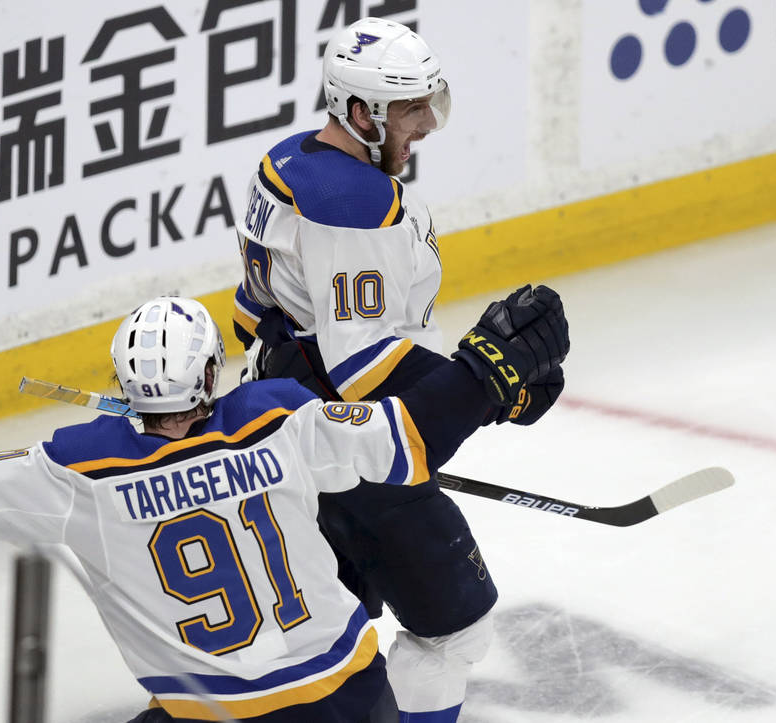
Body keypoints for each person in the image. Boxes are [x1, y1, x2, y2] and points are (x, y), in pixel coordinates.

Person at [0, 288, 567, 722]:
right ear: (209, 376)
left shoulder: (78, 469)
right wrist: (484, 371)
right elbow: (410, 435)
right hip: (354, 709)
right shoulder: (279, 415)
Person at [231, 16, 569, 720]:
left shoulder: (284, 164)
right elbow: (362, 367)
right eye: (411, 108)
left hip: (288, 434)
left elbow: (251, 313)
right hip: (355, 450)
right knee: (454, 630)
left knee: (314, 635)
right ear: (361, 112)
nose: (425, 124)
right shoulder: (357, 203)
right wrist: (485, 389)